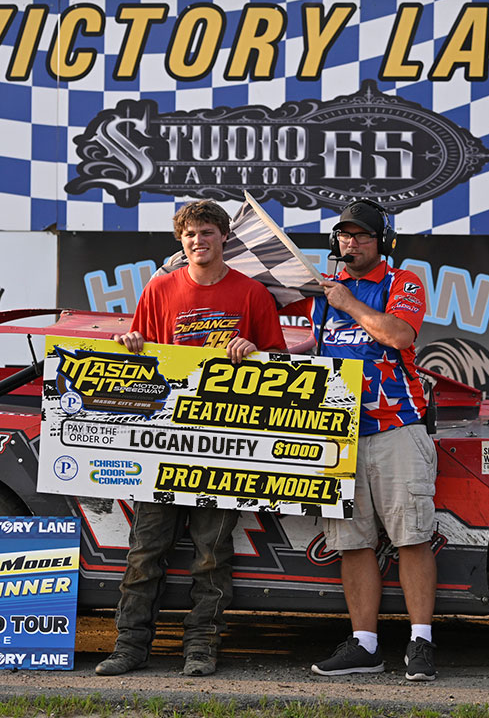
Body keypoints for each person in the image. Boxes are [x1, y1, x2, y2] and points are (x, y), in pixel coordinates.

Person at [95, 200, 286, 679]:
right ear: (180, 242)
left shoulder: (252, 294)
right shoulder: (159, 289)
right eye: (189, 235)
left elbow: (284, 367)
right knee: (144, 554)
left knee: (212, 556)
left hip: (226, 446)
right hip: (163, 445)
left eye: (206, 232)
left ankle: (201, 648)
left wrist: (256, 352)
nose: (198, 241)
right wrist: (130, 346)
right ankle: (129, 647)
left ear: (224, 237)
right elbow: (140, 366)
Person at [284, 198, 439, 681]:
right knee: (350, 541)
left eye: (362, 236)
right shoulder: (321, 297)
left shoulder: (402, 282)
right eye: (345, 236)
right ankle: (365, 645)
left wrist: (349, 301)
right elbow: (304, 347)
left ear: (383, 242)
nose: (351, 244)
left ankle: (421, 642)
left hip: (397, 428)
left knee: (411, 536)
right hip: (339, 434)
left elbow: (398, 335)